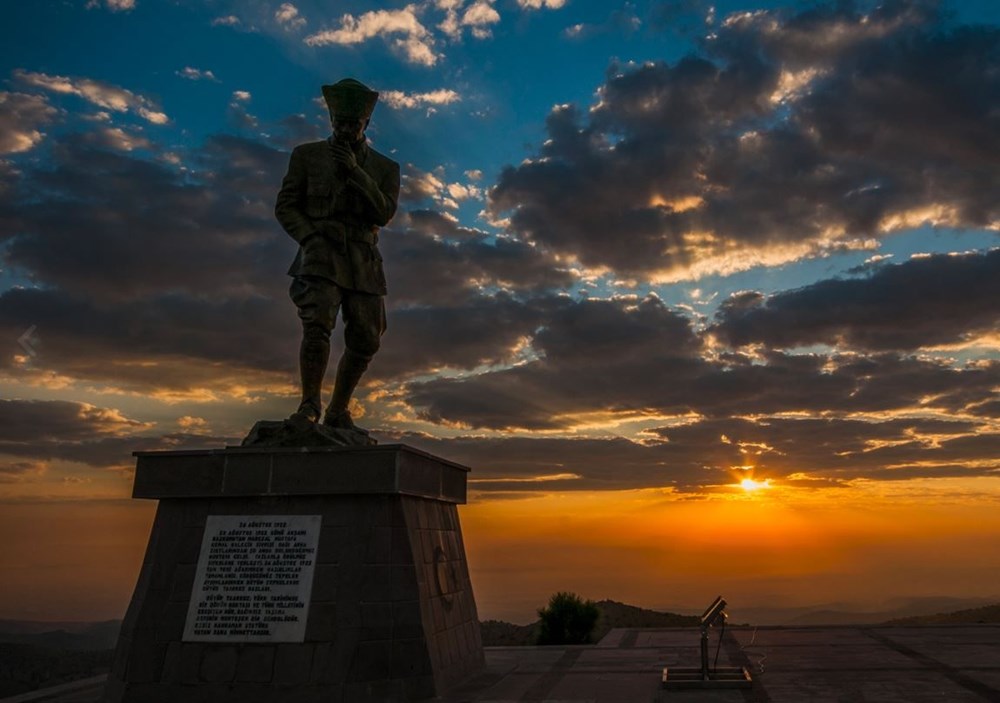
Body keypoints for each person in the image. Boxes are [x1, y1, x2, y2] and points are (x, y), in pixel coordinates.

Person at [275, 78, 400, 433]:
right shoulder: (307, 156)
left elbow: (383, 213)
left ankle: (338, 410)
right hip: (321, 253)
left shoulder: (385, 168)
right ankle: (309, 405)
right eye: (339, 123)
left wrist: (355, 172)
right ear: (331, 121)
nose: (345, 129)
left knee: (367, 339)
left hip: (364, 261)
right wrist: (310, 237)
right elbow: (286, 206)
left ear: (366, 125)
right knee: (317, 326)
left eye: (353, 124)